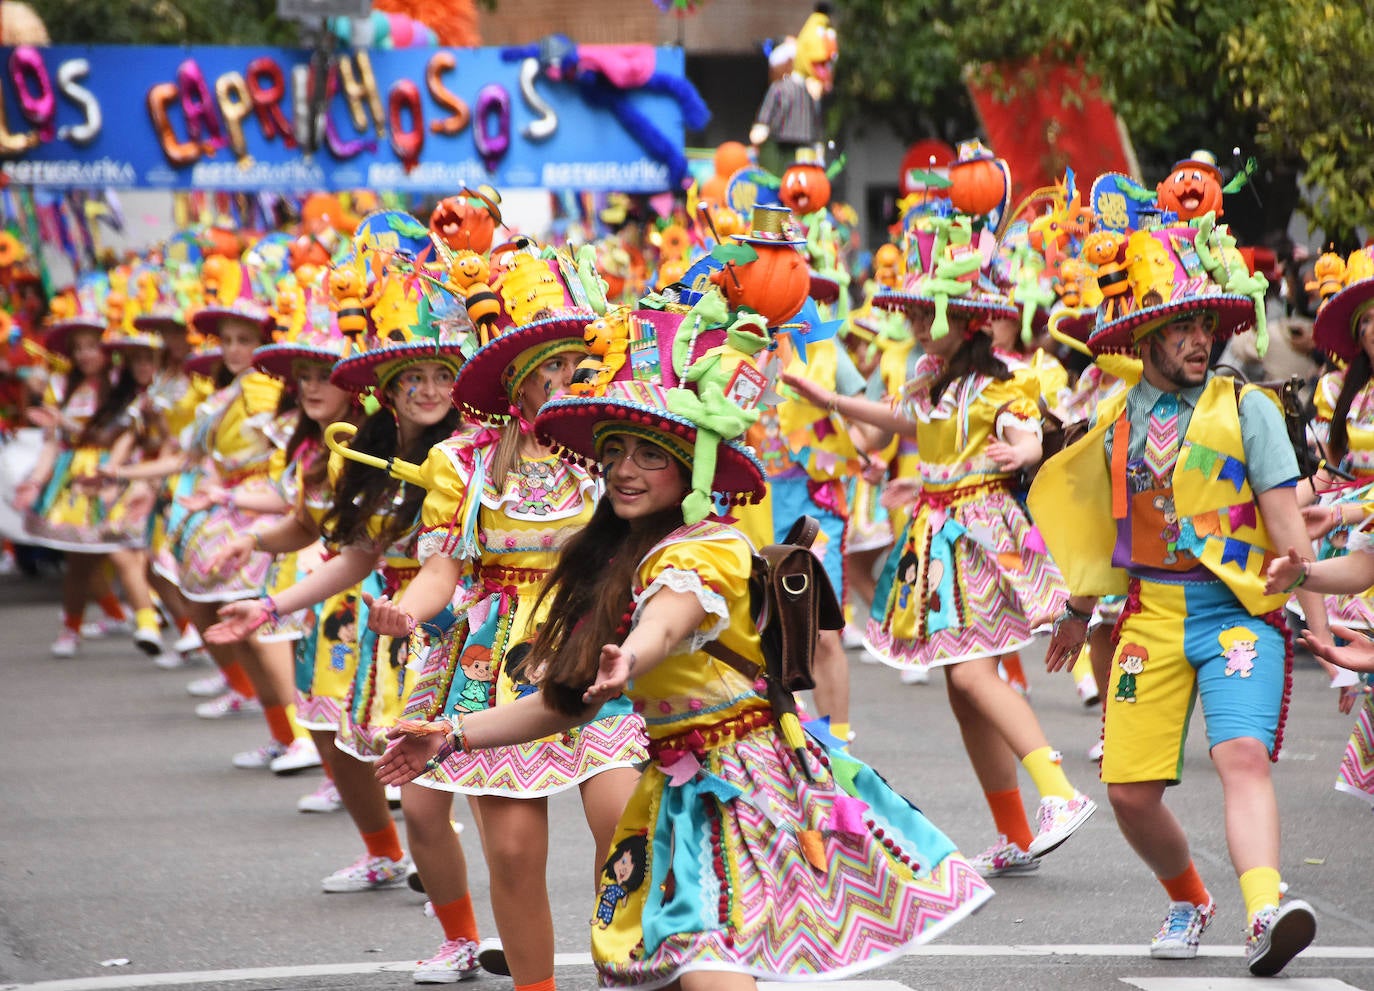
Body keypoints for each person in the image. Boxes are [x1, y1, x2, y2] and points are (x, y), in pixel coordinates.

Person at [375, 303, 993, 989]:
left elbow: (669, 617)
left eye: (650, 454)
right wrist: (451, 735)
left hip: (741, 788)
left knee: (703, 970)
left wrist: (631, 656)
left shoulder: (705, 547)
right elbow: (565, 703)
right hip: (677, 788)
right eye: (615, 452)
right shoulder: (605, 560)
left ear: (691, 467)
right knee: (662, 966)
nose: (624, 470)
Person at [1033, 218, 1324, 975]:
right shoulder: (1113, 422)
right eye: (1180, 326)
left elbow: (1288, 529)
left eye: (1205, 324)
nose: (1200, 339)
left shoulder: (1250, 409)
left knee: (1241, 756)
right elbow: (1101, 526)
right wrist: (1076, 612)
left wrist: (1319, 616)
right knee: (1129, 793)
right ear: (1144, 336)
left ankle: (1264, 912)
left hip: (1237, 613)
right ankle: (1190, 898)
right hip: (1151, 614)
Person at [205, 232, 487, 983]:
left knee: (504, 817)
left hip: (476, 643)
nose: (429, 389)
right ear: (387, 390)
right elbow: (356, 556)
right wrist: (268, 606)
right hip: (401, 640)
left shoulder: (477, 455)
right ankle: (461, 936)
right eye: (412, 376)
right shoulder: (368, 460)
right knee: (419, 804)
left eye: (443, 374)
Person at [783, 215, 1097, 882]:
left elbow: (1036, 430)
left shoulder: (999, 383)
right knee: (961, 687)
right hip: (936, 540)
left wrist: (1027, 451)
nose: (920, 323)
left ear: (970, 319)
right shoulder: (933, 378)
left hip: (978, 539)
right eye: (918, 312)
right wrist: (829, 398)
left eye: (932, 312)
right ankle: (1015, 833)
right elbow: (902, 421)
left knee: (974, 675)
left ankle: (1060, 791)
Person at [365, 281, 648, 991]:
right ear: (517, 383)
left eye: (575, 365)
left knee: (626, 827)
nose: (565, 379)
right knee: (516, 854)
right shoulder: (462, 463)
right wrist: (407, 610)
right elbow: (441, 567)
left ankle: (623, 969)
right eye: (550, 368)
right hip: (498, 663)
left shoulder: (613, 452)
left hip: (597, 646)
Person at [14, 277, 160, 656]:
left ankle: (150, 624)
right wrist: (36, 481)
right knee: (79, 562)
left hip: (115, 475)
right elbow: (52, 445)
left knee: (124, 551)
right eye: (78, 348)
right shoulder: (62, 388)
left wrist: (109, 464)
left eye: (92, 346)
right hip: (74, 481)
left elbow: (126, 435)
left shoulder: (123, 386)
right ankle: (71, 628)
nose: (84, 355)